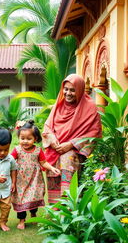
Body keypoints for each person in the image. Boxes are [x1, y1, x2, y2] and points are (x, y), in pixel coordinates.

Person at [42, 74, 102, 203]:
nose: (68, 93)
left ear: (80, 90)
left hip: (74, 151)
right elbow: (47, 126)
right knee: (54, 172)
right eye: (66, 89)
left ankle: (69, 210)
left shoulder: (89, 107)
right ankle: (55, 210)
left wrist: (71, 144)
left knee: (67, 159)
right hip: (55, 149)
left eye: (72, 90)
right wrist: (52, 140)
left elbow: (94, 133)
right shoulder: (59, 105)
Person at [11, 120, 60, 230]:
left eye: (29, 139)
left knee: (34, 196)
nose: (25, 141)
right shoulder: (17, 150)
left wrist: (52, 168)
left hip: (34, 180)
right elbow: (9, 161)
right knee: (21, 200)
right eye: (22, 138)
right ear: (19, 137)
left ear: (35, 139)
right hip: (20, 181)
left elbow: (43, 162)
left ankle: (33, 214)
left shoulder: (38, 150)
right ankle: (22, 220)